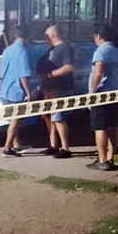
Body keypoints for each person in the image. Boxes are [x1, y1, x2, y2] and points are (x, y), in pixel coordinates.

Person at [87, 25, 118, 171]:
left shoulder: (101, 52)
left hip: (101, 94)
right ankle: (111, 158)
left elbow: (98, 73)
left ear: (99, 36)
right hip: (115, 93)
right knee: (113, 126)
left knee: (100, 127)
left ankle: (102, 159)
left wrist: (92, 92)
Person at [35, 25, 75, 158]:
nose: (44, 39)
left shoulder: (65, 48)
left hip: (61, 88)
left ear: (52, 35)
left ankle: (66, 148)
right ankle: (53, 145)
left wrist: (50, 75)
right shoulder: (50, 50)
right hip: (49, 89)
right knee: (49, 117)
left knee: (58, 118)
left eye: (46, 36)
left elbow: (68, 67)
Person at [0, 26, 32, 157]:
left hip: (5, 89)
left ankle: (16, 145)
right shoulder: (22, 52)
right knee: (16, 119)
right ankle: (7, 148)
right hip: (16, 90)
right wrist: (28, 92)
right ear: (28, 36)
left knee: (12, 119)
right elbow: (23, 75)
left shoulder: (7, 50)